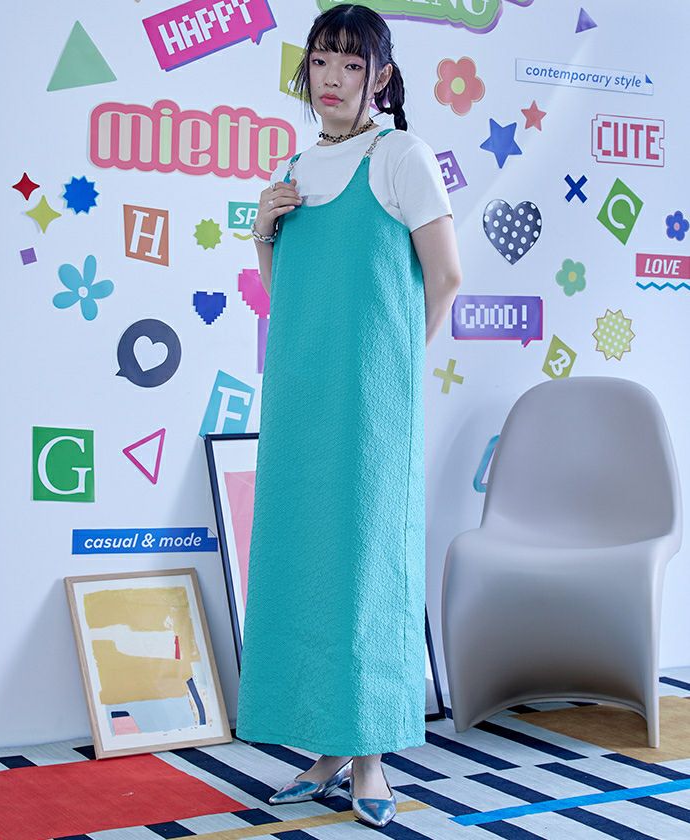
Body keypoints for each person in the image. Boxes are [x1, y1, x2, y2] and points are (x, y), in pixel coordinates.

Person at [236, 3, 462, 828]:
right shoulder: (297, 165)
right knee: (309, 563)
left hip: (371, 403)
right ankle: (326, 747)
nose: (332, 78)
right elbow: (287, 295)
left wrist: (395, 366)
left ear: (382, 77)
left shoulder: (401, 155)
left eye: (351, 63)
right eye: (322, 61)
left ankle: (371, 761)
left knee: (368, 568)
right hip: (299, 394)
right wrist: (264, 233)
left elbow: (447, 276)